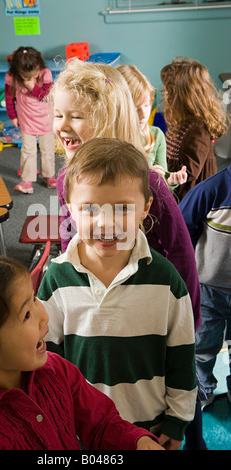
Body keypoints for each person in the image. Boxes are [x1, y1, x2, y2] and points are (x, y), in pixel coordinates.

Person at [38, 138, 197, 450]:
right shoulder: (57, 278)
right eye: (90, 209)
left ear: (145, 207)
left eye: (123, 208)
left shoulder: (166, 280)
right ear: (70, 208)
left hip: (150, 428)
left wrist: (178, 421)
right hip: (82, 429)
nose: (106, 223)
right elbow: (47, 362)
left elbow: (181, 356)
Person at [0, 252, 163, 451]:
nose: (44, 316)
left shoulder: (55, 368)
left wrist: (138, 441)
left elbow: (101, 423)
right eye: (26, 315)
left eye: (34, 299)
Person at [51, 59, 201, 330]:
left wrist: (187, 317)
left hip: (148, 305)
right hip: (96, 306)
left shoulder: (149, 182)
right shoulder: (65, 180)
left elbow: (181, 252)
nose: (62, 126)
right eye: (58, 115)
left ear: (108, 118)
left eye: (76, 116)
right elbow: (68, 240)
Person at [180, 164, 231, 409]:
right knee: (203, 345)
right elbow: (183, 226)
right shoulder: (214, 189)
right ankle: (204, 391)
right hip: (209, 288)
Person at [161, 57, 228, 202]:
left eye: (169, 90)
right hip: (175, 186)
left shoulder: (199, 130)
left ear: (182, 97)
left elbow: (190, 172)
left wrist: (162, 169)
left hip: (191, 195)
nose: (164, 93)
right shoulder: (180, 120)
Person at [116, 64, 187, 188]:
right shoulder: (107, 137)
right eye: (135, 108)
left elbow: (164, 184)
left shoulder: (156, 135)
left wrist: (171, 180)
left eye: (147, 105)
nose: (144, 115)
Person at [5, 46, 56, 194]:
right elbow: (9, 97)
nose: (28, 79)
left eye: (32, 76)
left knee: (47, 149)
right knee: (28, 150)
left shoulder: (45, 73)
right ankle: (27, 181)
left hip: (45, 118)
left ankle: (49, 176)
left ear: (39, 67)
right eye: (25, 77)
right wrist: (12, 116)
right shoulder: (11, 76)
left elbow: (47, 96)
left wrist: (32, 87)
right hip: (26, 119)